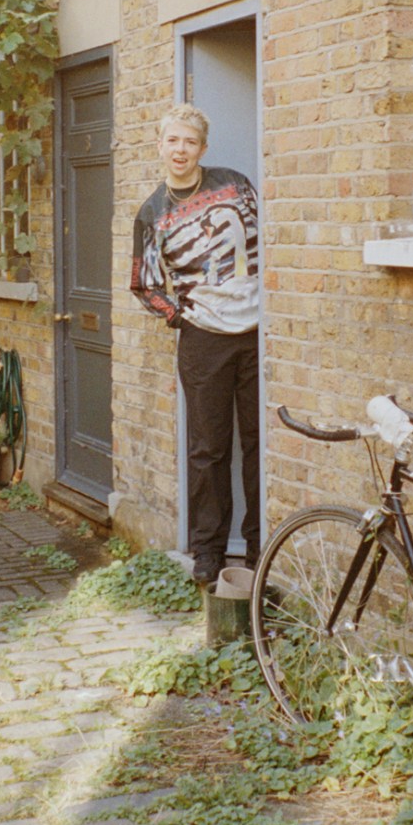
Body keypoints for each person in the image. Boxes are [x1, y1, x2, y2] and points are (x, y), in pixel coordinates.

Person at [128, 103, 261, 589]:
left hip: (256, 335)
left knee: (257, 442)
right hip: (202, 340)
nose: (180, 149)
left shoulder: (236, 184)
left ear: (202, 148)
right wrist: (181, 315)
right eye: (173, 141)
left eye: (190, 142)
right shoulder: (152, 212)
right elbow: (144, 284)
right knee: (208, 450)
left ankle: (260, 543)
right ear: (160, 146)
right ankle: (208, 551)